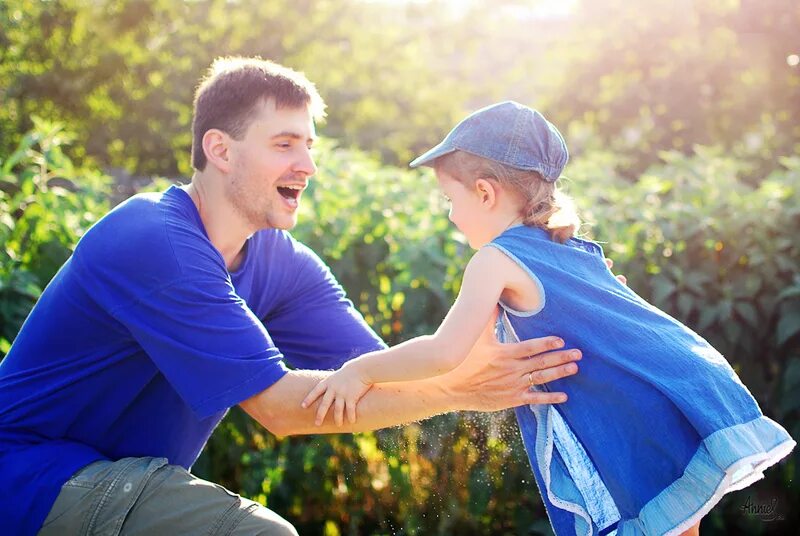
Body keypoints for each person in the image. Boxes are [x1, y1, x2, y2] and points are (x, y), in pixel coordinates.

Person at [0, 60, 587, 535]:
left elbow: (375, 379)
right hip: (32, 479)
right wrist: (461, 388)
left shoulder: (282, 263)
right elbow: (281, 409)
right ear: (221, 150)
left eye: (309, 145)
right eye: (285, 144)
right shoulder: (155, 242)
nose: (307, 166)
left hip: (122, 484)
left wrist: (480, 363)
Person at [300, 101, 797, 536]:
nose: (450, 216)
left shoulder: (495, 259)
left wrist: (360, 370)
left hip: (620, 421)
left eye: (451, 200)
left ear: (485, 192)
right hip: (655, 400)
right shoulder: (571, 249)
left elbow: (443, 351)